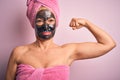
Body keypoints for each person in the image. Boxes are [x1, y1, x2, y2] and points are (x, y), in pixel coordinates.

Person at [5, 0, 116, 80]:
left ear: (56, 22)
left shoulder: (67, 51)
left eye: (50, 20)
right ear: (33, 23)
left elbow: (108, 44)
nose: (46, 25)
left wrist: (86, 23)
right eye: (39, 20)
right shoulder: (19, 53)